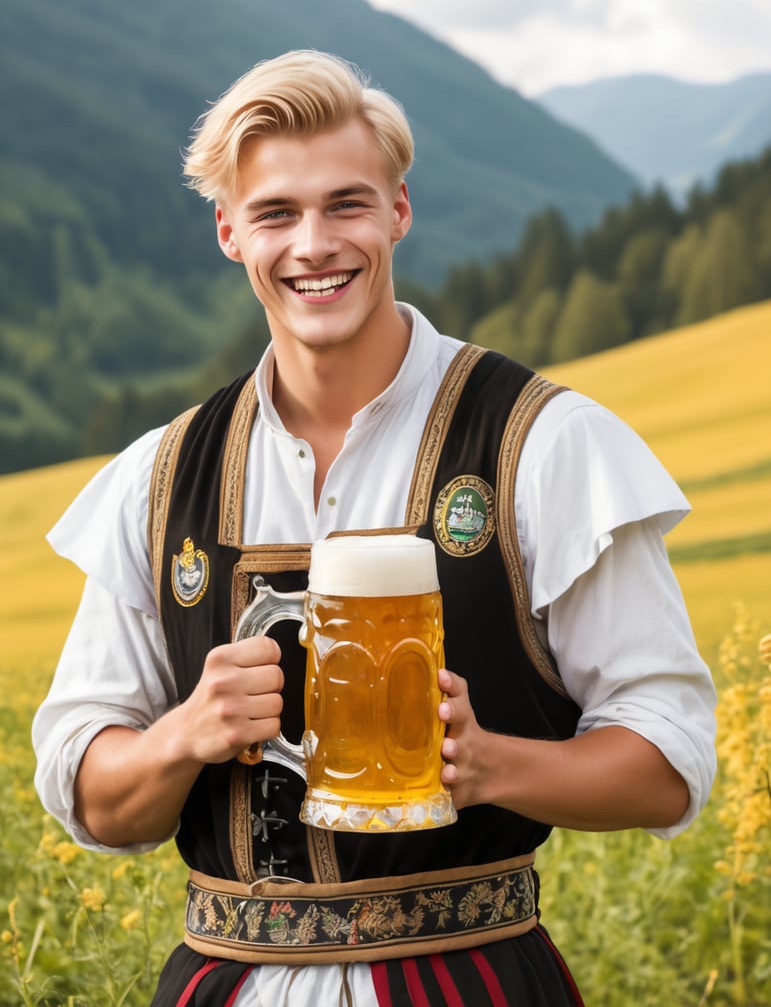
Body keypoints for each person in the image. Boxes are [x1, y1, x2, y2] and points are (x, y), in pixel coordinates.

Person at [32, 49, 716, 1006]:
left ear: (398, 210)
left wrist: (492, 766)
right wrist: (182, 735)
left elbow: (668, 763)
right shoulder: (161, 474)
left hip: (469, 977)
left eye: (345, 205)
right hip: (223, 983)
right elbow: (96, 801)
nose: (313, 244)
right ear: (229, 232)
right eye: (276, 213)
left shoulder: (544, 443)